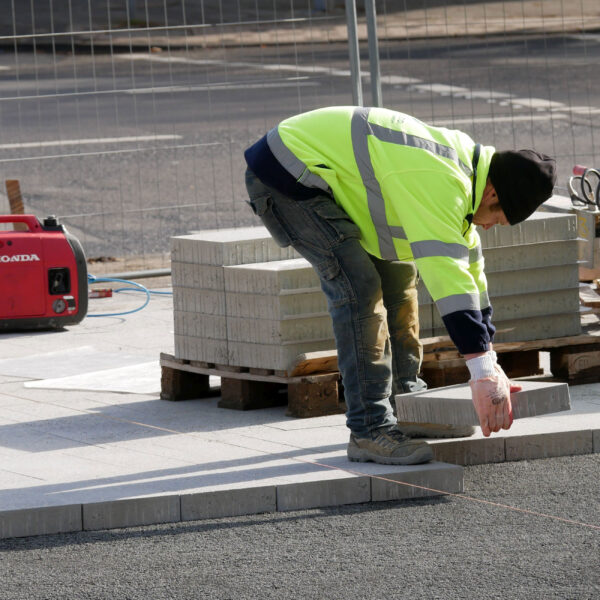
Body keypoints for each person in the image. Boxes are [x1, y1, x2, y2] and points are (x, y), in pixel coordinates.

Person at [243, 106, 557, 466]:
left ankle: (407, 405)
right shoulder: (442, 180)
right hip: (286, 175)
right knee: (359, 288)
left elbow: (472, 278)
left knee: (400, 276)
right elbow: (449, 281)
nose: (490, 227)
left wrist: (491, 361)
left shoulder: (467, 178)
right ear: (492, 195)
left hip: (326, 179)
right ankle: (369, 429)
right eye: (499, 219)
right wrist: (481, 374)